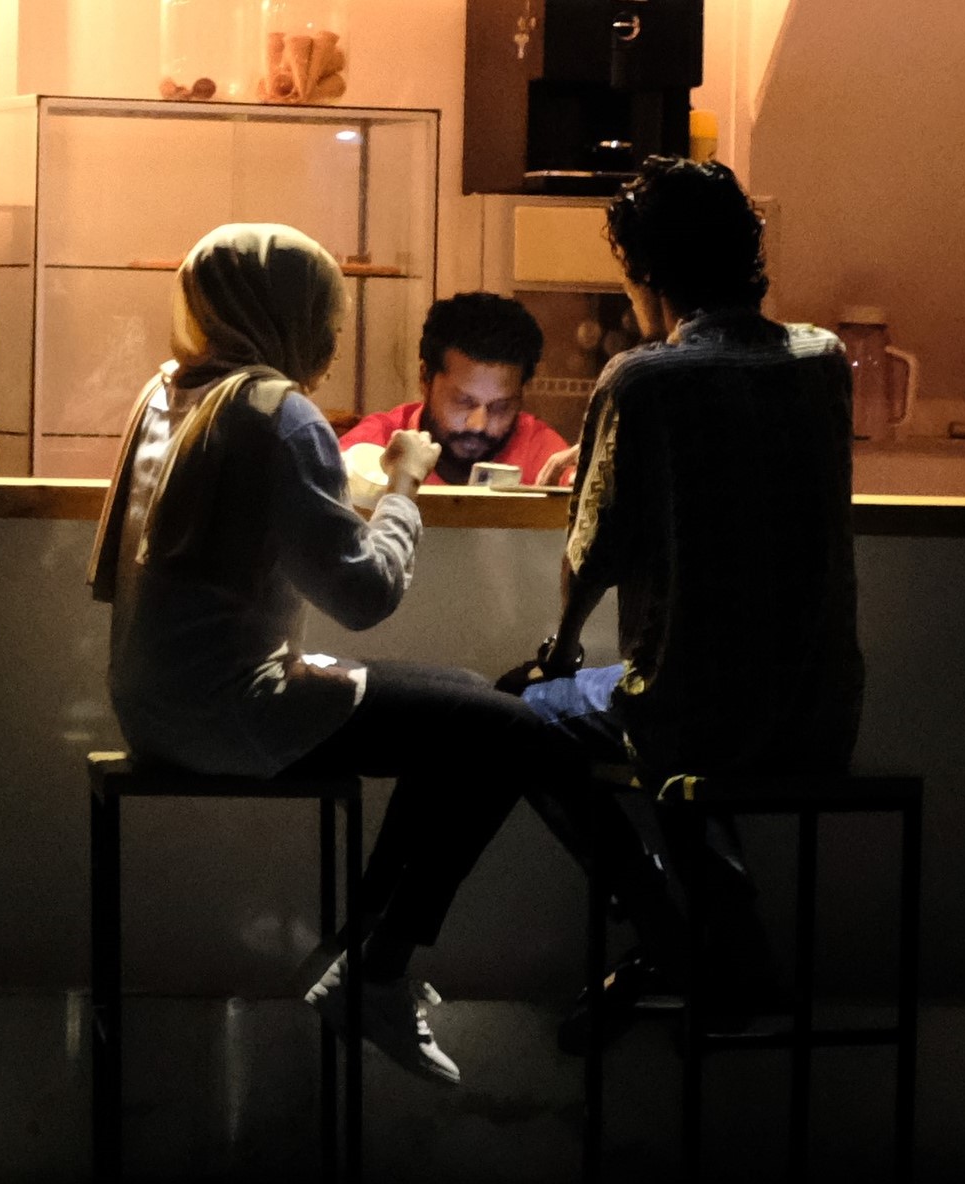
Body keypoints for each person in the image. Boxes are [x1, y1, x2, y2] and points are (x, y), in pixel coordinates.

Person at [88, 223, 575, 1087]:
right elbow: (365, 597)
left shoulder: (173, 391)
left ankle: (365, 959)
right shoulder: (276, 413)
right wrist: (403, 481)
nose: (334, 337)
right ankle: (374, 971)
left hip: (154, 704)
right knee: (510, 730)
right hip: (236, 712)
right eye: (327, 316)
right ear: (286, 313)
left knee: (466, 704)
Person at [501, 158, 866, 1044]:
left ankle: (671, 936)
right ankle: (724, 939)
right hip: (820, 711)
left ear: (644, 271)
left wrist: (559, 649)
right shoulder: (821, 361)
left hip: (693, 716)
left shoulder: (641, 380)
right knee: (675, 729)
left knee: (523, 713)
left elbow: (592, 554)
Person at [337, 291, 571, 487]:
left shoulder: (544, 455)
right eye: (464, 401)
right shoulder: (370, 450)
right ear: (425, 379)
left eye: (500, 407)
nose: (478, 424)